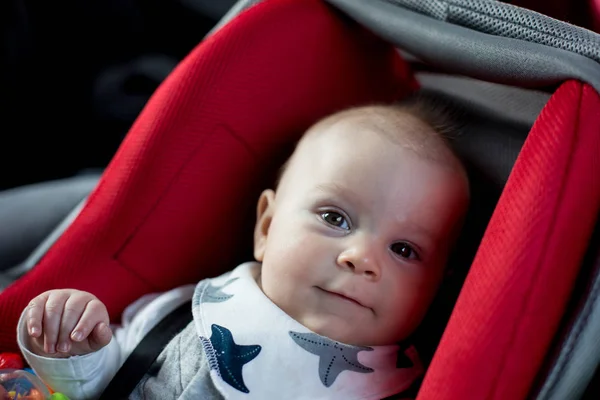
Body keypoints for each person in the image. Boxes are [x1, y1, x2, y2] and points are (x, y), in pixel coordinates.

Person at [16, 97, 470, 399]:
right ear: (268, 227)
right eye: (335, 218)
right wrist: (74, 349)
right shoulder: (184, 314)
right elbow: (104, 381)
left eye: (405, 250)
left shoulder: (402, 390)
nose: (361, 257)